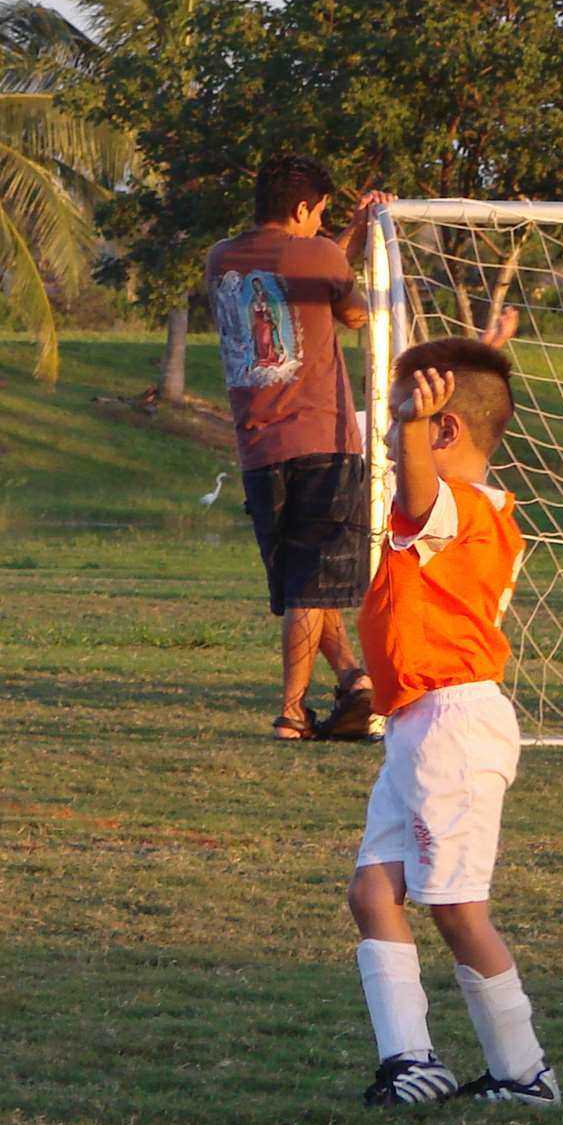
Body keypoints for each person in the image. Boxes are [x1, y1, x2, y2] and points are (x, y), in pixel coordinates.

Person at [346, 339, 558, 1106]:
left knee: (458, 908)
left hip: (454, 727)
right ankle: (411, 1061)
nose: (391, 427)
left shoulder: (456, 508)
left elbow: (416, 492)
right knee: (374, 891)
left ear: (443, 430)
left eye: (407, 414)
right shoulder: (465, 509)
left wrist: (409, 430)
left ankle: (524, 1072)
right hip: (418, 724)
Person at [203, 155, 385, 741]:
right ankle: (291, 711)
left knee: (302, 584)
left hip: (257, 447)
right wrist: (354, 239)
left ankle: (354, 679)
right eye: (319, 214)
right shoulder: (321, 256)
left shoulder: (220, 258)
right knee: (312, 584)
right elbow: (353, 312)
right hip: (322, 439)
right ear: (304, 208)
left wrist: (346, 235)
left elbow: (307, 269)